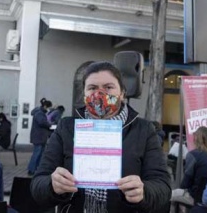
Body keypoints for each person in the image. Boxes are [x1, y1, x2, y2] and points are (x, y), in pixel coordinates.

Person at [30, 61, 171, 213]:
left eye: (109, 87)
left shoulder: (143, 130)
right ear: (84, 93)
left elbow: (162, 185)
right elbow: (38, 184)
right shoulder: (66, 128)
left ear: (122, 93)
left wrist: (145, 192)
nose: (100, 93)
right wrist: (52, 186)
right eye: (92, 88)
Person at [172, 126, 207, 206]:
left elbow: (186, 183)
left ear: (197, 139)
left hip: (196, 198)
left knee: (168, 196)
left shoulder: (193, 155)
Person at [27, 98, 53, 176]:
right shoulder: (39, 113)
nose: (49, 109)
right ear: (45, 106)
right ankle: (31, 169)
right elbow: (42, 122)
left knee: (40, 154)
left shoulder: (40, 113)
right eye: (49, 107)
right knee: (37, 153)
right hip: (38, 137)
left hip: (40, 137)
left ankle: (37, 169)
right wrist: (50, 124)